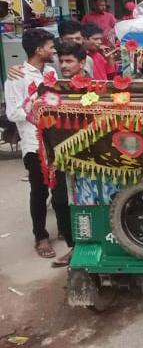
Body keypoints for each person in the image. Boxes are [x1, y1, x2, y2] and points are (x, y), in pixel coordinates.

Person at [4, 28, 72, 263]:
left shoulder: (51, 71)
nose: (54, 50)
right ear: (38, 50)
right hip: (34, 144)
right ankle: (40, 237)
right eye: (50, 47)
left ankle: (65, 230)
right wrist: (38, 107)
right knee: (39, 191)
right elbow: (13, 113)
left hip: (56, 143)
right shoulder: (16, 77)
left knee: (61, 190)